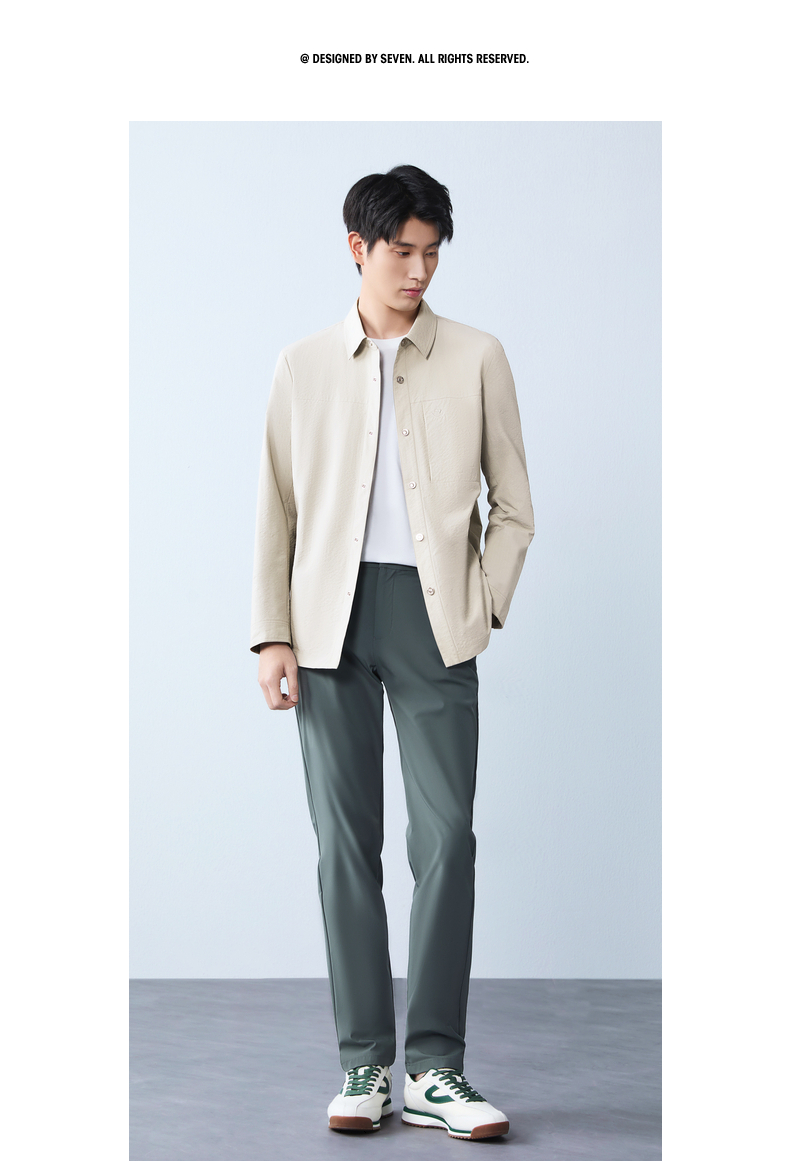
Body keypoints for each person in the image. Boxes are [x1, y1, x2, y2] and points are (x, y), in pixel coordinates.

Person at [250, 164, 534, 1141]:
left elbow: (515, 506)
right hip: (324, 623)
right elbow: (276, 508)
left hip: (435, 616)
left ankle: (436, 1067)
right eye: (401, 251)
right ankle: (364, 1063)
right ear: (357, 248)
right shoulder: (302, 366)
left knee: (447, 837)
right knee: (344, 845)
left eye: (431, 253)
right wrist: (272, 632)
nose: (418, 270)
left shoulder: (477, 356)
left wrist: (481, 604)